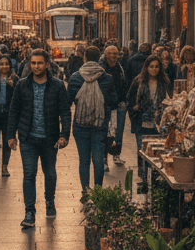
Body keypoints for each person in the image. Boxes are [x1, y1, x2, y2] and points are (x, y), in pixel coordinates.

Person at [7, 49, 70, 229]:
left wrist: (64, 135)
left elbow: (65, 112)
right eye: (33, 63)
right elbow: (14, 111)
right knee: (29, 174)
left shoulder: (57, 86)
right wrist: (11, 135)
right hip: (28, 138)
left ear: (47, 64)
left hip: (50, 139)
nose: (36, 66)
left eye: (40, 63)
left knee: (50, 173)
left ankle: (49, 201)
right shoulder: (22, 85)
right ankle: (29, 211)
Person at [67, 46, 117, 202]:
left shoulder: (75, 78)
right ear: (99, 57)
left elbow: (68, 102)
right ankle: (97, 192)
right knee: (97, 160)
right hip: (99, 125)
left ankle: (85, 191)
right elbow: (113, 101)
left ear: (84, 58)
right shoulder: (107, 78)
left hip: (80, 125)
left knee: (83, 160)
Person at [127, 55, 171, 187]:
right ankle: (143, 178)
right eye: (151, 66)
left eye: (156, 66)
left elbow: (169, 98)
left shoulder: (164, 82)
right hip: (142, 122)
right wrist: (134, 114)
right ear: (146, 67)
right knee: (142, 150)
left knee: (158, 151)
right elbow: (130, 99)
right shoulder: (138, 81)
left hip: (159, 122)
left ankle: (157, 178)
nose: (154, 69)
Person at [99, 45, 128, 169]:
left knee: (119, 131)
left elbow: (123, 83)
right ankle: (104, 159)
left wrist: (124, 99)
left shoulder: (120, 67)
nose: (113, 56)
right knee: (106, 133)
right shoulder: (101, 68)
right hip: (105, 105)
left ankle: (116, 155)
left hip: (119, 104)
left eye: (115, 54)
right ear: (106, 54)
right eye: (111, 53)